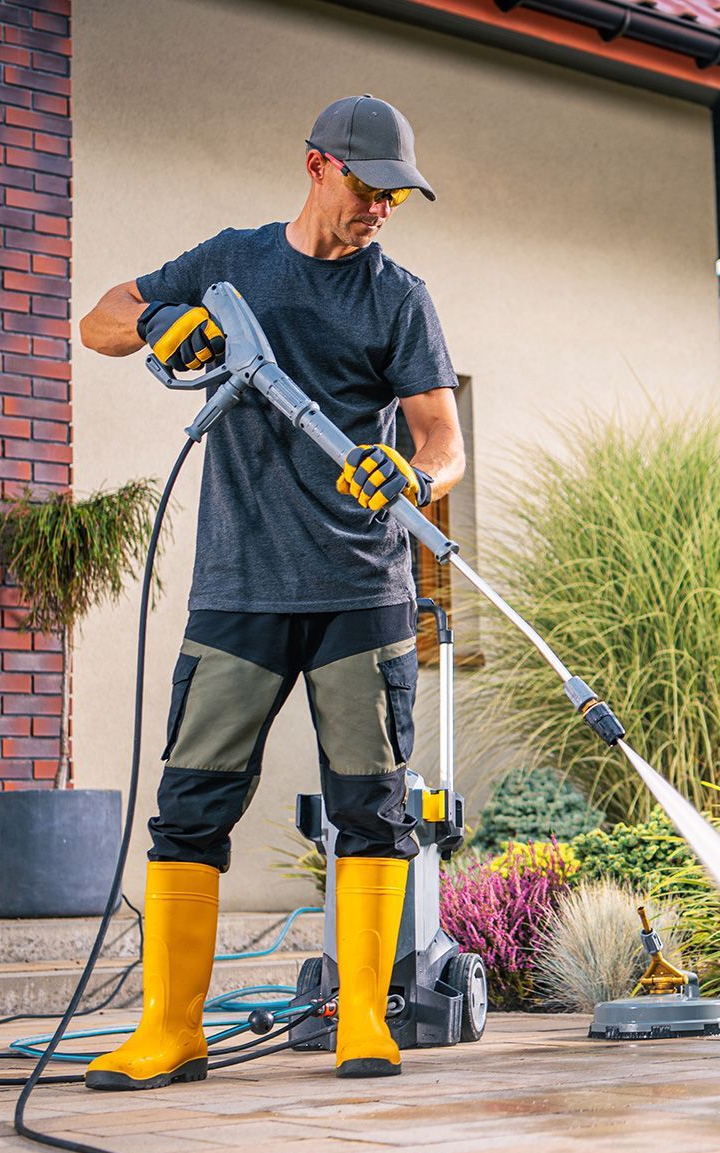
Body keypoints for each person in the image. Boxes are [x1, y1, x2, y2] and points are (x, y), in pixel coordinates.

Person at [77, 95, 464, 1088]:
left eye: (396, 195)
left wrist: (415, 479)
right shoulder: (235, 262)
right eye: (370, 187)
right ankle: (171, 1028)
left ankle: (367, 1021)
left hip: (360, 588)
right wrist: (167, 322)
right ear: (317, 165)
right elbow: (100, 320)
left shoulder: (398, 298)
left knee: (372, 808)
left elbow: (442, 439)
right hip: (240, 584)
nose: (382, 207)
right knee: (190, 804)